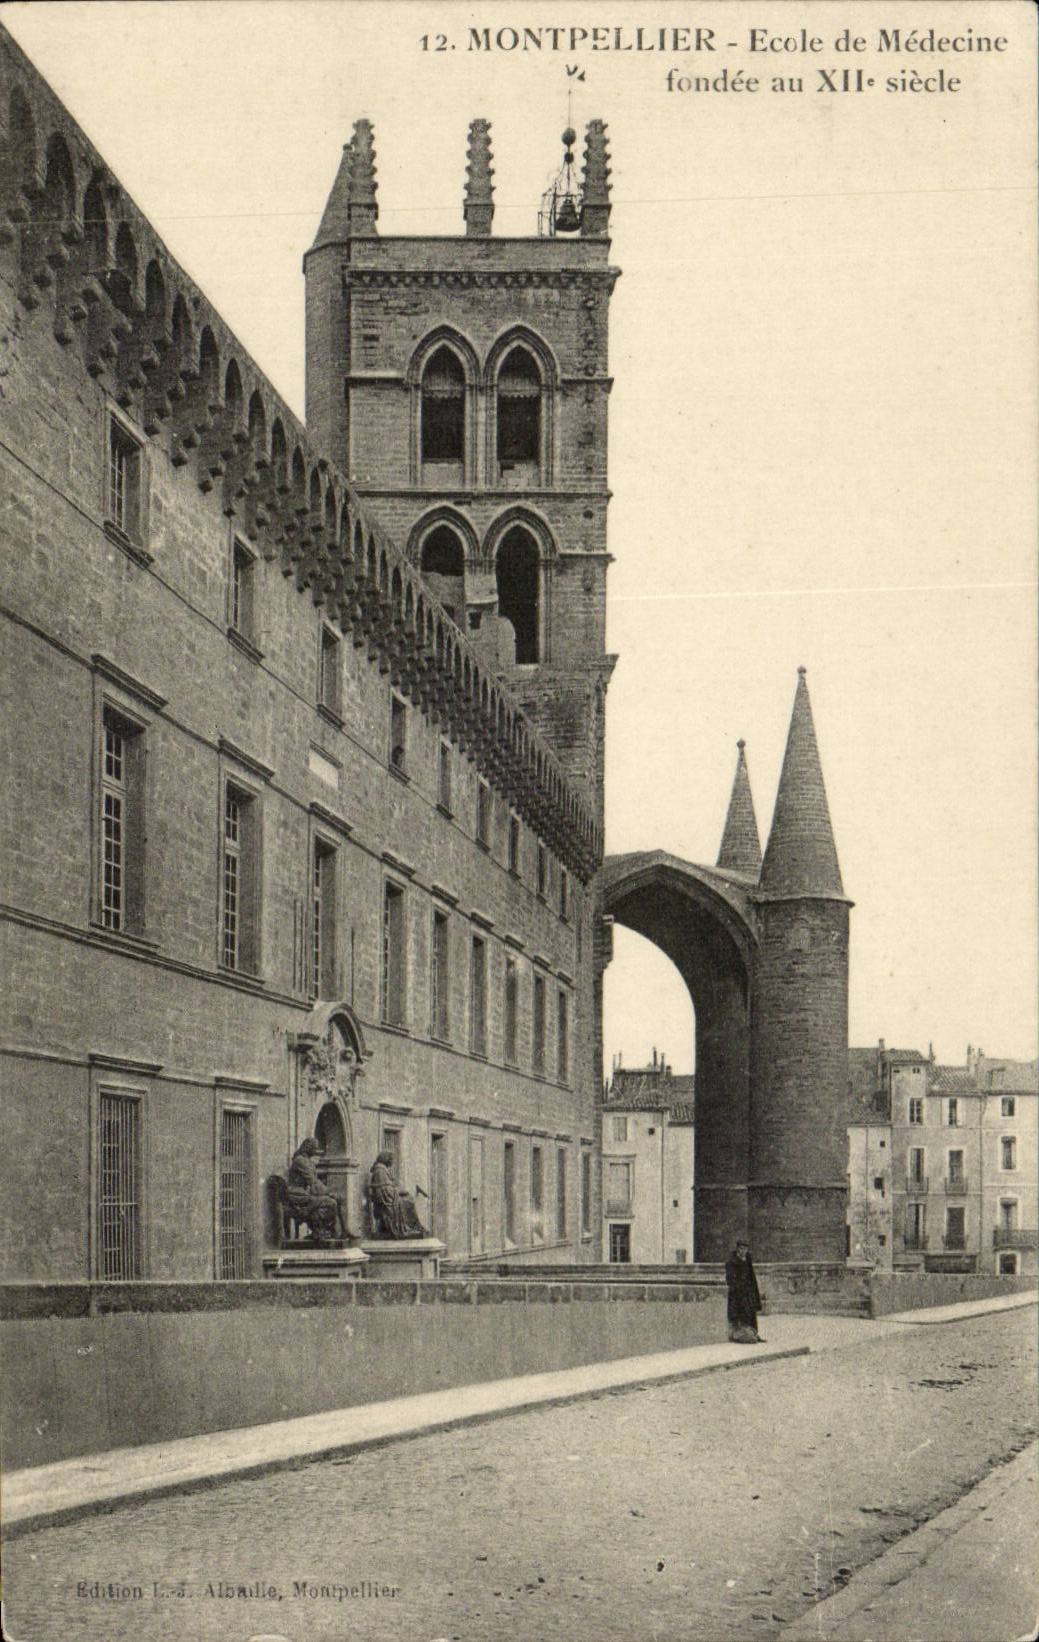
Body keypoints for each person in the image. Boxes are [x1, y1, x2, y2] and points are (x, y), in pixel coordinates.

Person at [286, 1137, 346, 1243]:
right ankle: (321, 1231)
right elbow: (313, 1181)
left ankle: (332, 1231)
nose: (316, 1151)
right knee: (331, 1202)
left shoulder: (308, 1162)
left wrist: (327, 1192)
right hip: (296, 1194)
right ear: (308, 1148)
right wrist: (329, 1192)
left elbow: (315, 1182)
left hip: (304, 1193)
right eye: (314, 1148)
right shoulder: (300, 1161)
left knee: (336, 1200)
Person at [368, 1151, 428, 1238]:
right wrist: (398, 1192)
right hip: (387, 1202)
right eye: (391, 1159)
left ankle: (413, 1227)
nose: (392, 1161)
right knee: (408, 1202)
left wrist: (396, 1191)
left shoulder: (383, 1170)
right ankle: (408, 1228)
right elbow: (384, 1191)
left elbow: (387, 1187)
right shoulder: (380, 1171)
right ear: (386, 1159)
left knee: (408, 1198)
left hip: (390, 1198)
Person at [725, 1238, 765, 1343]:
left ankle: (754, 1333)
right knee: (742, 1314)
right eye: (741, 1249)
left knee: (751, 1313)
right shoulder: (731, 1262)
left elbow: (751, 1275)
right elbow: (730, 1279)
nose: (743, 1251)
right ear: (737, 1249)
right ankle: (744, 1335)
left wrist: (753, 1291)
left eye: (745, 1249)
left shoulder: (747, 1259)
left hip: (748, 1292)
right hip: (738, 1294)